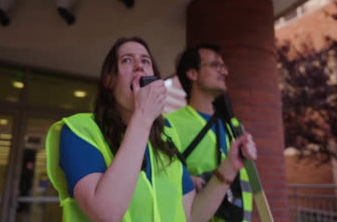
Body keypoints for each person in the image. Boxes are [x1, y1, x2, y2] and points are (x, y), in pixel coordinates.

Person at [46, 37, 257, 222]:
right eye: (127, 60)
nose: (139, 66)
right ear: (109, 80)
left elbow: (190, 215)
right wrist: (143, 117)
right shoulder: (79, 130)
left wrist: (229, 167)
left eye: (145, 61)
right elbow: (106, 212)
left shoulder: (165, 140)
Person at [165, 43, 257, 222]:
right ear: (192, 73)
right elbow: (159, 183)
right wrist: (180, 180)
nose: (224, 72)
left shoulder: (236, 127)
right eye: (216, 65)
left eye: (224, 66)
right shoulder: (170, 125)